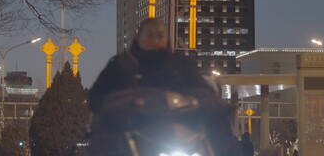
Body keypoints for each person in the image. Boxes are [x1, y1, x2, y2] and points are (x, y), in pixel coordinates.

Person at [89, 18, 240, 156]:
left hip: (178, 131)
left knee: (218, 131)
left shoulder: (181, 65)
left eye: (160, 35)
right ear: (138, 38)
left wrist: (197, 101)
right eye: (150, 35)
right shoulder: (121, 65)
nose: (155, 39)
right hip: (131, 132)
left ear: (167, 39)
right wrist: (122, 103)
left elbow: (204, 91)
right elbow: (97, 97)